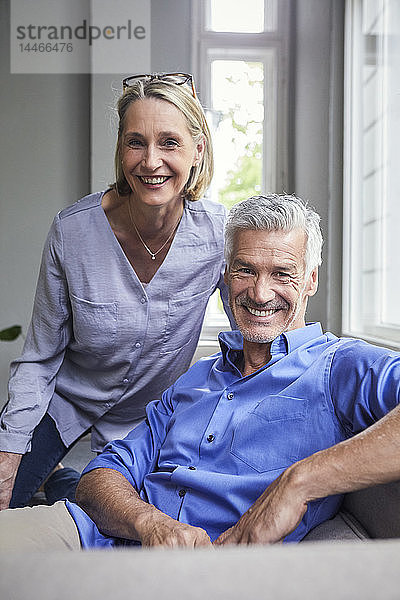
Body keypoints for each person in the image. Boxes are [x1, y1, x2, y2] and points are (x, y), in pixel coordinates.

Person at [1, 193, 400, 551]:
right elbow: (101, 475)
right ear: (225, 278)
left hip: (196, 573)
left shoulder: (339, 366)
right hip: (89, 535)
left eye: (282, 273)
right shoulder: (194, 379)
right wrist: (149, 523)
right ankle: (57, 478)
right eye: (245, 270)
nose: (261, 293)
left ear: (311, 280)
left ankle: (55, 477)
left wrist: (300, 481)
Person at [0, 72, 234, 511]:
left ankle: (64, 481)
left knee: (109, 515)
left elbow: (248, 335)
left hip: (150, 416)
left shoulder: (219, 235)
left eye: (169, 142)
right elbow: (40, 356)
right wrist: (8, 453)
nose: (150, 161)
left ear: (197, 149)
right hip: (64, 401)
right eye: (135, 142)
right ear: (120, 149)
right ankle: (55, 473)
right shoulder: (71, 231)